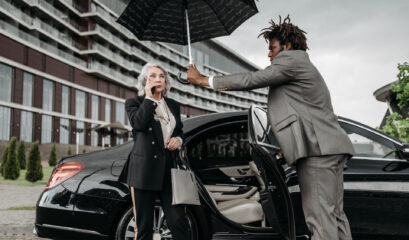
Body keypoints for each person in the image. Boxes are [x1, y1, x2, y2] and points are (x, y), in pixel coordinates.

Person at [187, 16, 355, 240]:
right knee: (334, 215)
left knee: (320, 219)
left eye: (272, 48)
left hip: (317, 151)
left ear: (286, 46)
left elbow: (253, 79)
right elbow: (303, 114)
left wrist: (205, 80)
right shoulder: (302, 65)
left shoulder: (291, 60)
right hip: (329, 147)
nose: (269, 54)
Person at [119, 62, 190, 240]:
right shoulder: (134, 102)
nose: (158, 79)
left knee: (178, 221)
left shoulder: (173, 105)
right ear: (145, 81)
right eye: (152, 76)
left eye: (161, 76)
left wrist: (179, 140)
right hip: (144, 170)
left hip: (169, 169)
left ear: (166, 82)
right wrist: (150, 98)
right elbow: (138, 124)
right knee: (143, 228)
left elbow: (179, 130)